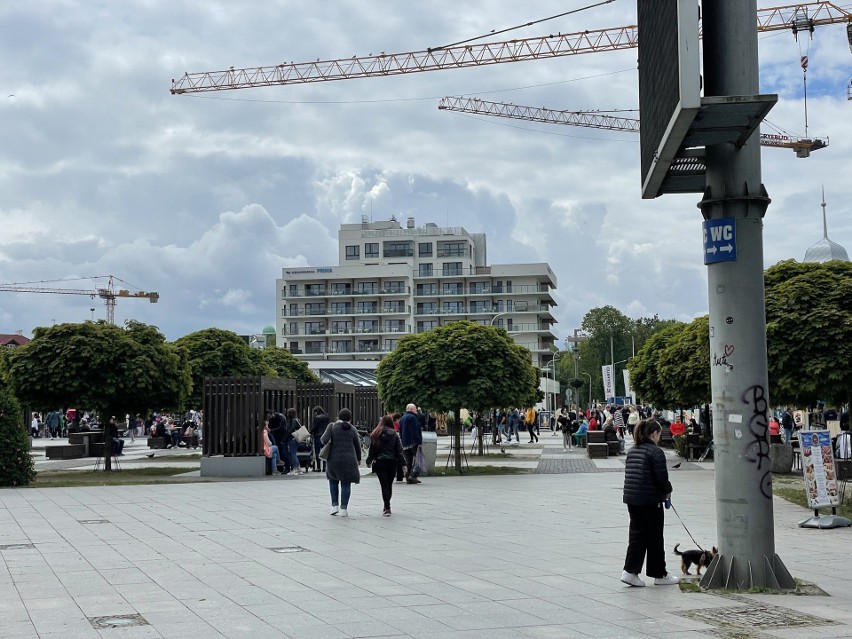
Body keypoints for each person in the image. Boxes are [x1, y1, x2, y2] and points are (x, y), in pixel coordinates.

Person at [621, 419, 679, 587]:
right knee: (655, 537)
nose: (659, 437)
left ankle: (630, 571)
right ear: (653, 434)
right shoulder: (655, 452)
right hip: (650, 500)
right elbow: (661, 478)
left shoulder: (633, 451)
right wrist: (668, 490)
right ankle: (659, 574)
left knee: (637, 535)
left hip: (632, 499)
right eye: (659, 434)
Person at [321, 408, 362, 516]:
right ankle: (344, 508)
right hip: (349, 460)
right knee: (346, 483)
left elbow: (323, 440)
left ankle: (334, 506)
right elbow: (357, 446)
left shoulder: (332, 426)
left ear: (339, 416)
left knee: (333, 480)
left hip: (334, 459)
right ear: (350, 418)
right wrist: (358, 458)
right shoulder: (352, 429)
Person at [365, 415, 406, 516]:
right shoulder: (394, 434)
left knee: (384, 485)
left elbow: (372, 449)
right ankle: (387, 505)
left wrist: (369, 460)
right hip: (392, 462)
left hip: (380, 462)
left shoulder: (376, 433)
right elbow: (399, 451)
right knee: (389, 484)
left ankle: (387, 507)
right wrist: (403, 464)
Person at [399, 403, 423, 483]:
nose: (416, 410)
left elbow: (401, 432)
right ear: (412, 409)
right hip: (413, 442)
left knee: (408, 461)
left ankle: (408, 477)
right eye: (415, 408)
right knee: (419, 459)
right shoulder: (412, 417)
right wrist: (419, 441)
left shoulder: (402, 418)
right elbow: (415, 431)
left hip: (405, 443)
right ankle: (413, 475)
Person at [311, 406, 330, 472]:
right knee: (324, 451)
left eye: (315, 412)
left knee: (317, 452)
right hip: (325, 436)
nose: (314, 414)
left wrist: (310, 432)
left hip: (318, 436)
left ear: (317, 411)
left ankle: (318, 467)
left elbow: (315, 427)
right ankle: (324, 467)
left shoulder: (317, 418)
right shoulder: (326, 417)